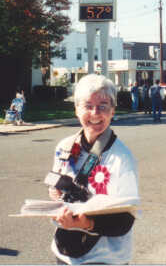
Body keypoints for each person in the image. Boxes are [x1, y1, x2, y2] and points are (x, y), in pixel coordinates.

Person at [48, 74, 140, 265]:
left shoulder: (122, 158)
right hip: (65, 254)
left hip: (105, 259)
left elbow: (125, 221)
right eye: (88, 106)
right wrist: (55, 193)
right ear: (76, 110)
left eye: (103, 106)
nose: (95, 113)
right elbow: (57, 189)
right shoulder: (64, 147)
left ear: (113, 111)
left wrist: (86, 223)